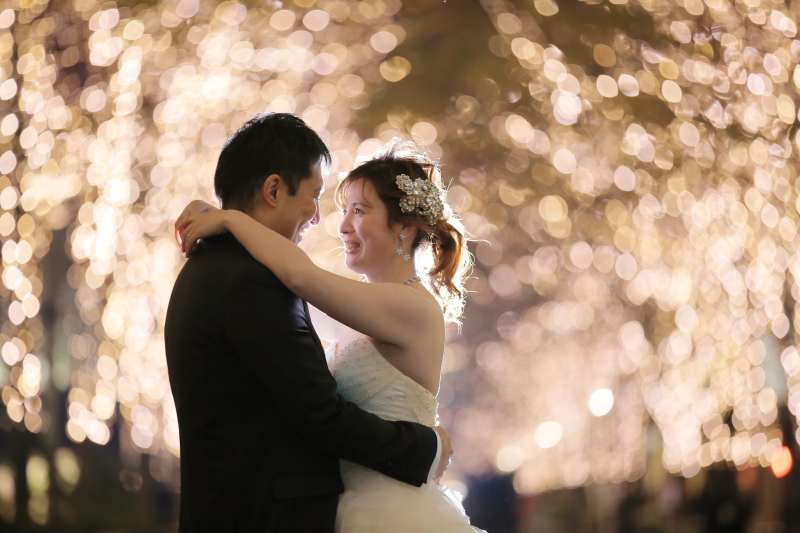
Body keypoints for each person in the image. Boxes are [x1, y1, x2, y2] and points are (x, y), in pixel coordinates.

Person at [176, 131, 484, 531]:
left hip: (393, 511)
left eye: (359, 210)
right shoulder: (361, 308)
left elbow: (298, 275)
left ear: (404, 228)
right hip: (345, 507)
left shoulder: (414, 307)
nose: (342, 226)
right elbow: (289, 297)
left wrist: (231, 218)